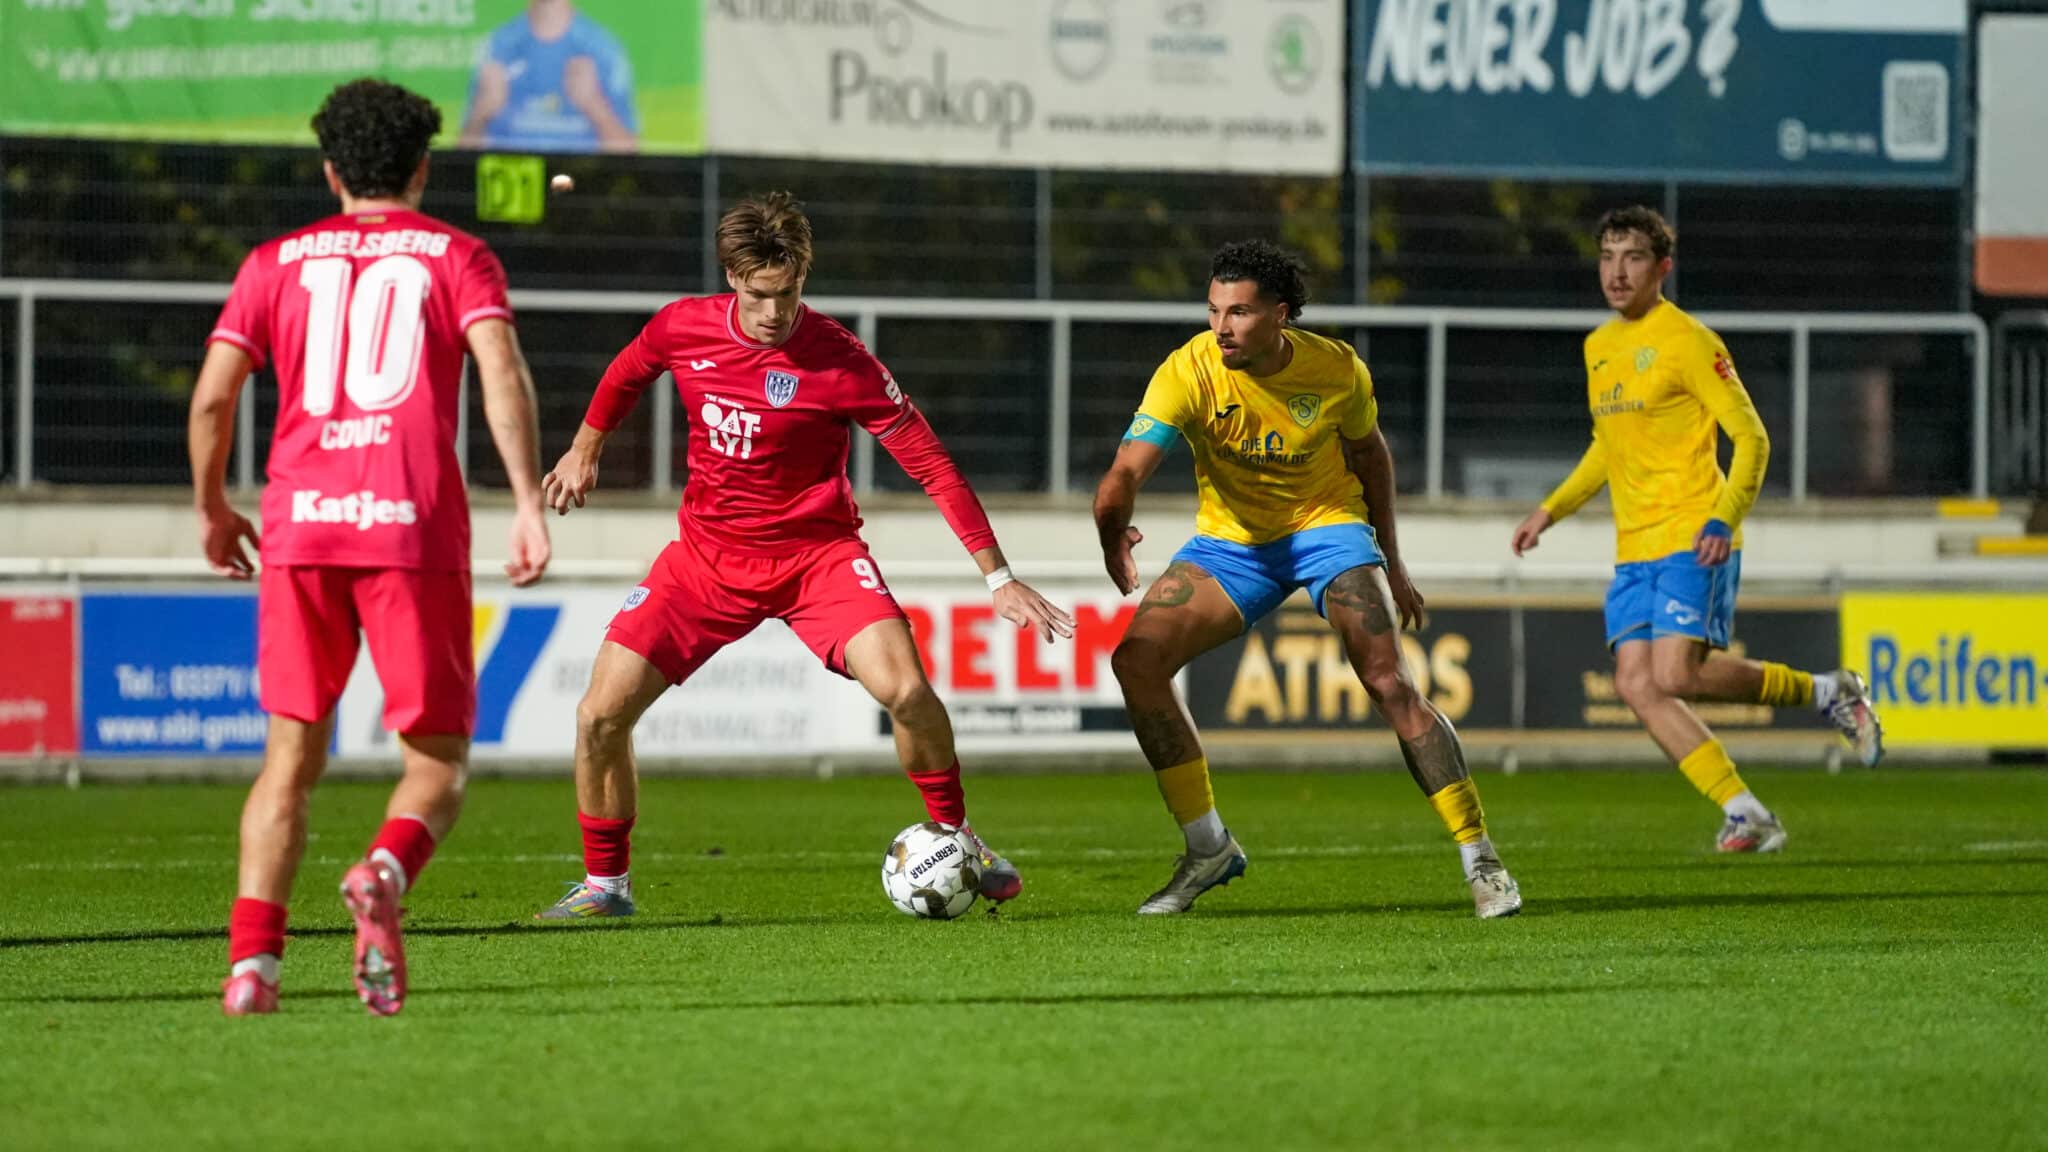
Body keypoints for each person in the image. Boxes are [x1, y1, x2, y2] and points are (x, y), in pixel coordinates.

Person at [533, 191, 1074, 920]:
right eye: (760, 295)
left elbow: (932, 464)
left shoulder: (840, 359)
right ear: (732, 279)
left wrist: (998, 576)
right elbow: (629, 370)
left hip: (817, 558)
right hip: (705, 561)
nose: (774, 313)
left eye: (788, 294)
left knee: (908, 692)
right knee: (599, 715)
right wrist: (584, 448)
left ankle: (958, 839)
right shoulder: (681, 327)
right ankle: (606, 887)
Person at [191, 78, 552, 1016]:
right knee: (435, 764)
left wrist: (213, 509)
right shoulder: (458, 255)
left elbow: (213, 398)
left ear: (329, 169)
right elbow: (500, 374)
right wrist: (526, 501)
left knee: (288, 762)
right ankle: (386, 870)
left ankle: (250, 972)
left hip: (301, 528)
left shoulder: (274, 261)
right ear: (423, 168)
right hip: (410, 527)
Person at [1094, 240, 1521, 919]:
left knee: (1388, 679)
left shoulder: (1335, 370)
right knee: (1136, 662)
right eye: (1213, 311)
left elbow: (1369, 455)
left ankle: (1482, 858)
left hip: (1326, 528)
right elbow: (1125, 470)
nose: (1222, 327)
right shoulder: (1188, 371)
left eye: (1239, 312)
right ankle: (1208, 848)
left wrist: (1392, 557)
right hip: (1231, 544)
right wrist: (1113, 528)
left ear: (1280, 315)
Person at [1510, 205, 1884, 853]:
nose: (1616, 272)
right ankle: (1747, 811)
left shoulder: (1689, 341)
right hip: (1635, 546)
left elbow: (1752, 438)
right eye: (1607, 257)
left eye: (1632, 258)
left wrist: (1724, 516)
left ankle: (1830, 691)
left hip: (1693, 533)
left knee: (1677, 674)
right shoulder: (1598, 347)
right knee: (1635, 683)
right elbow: (1609, 446)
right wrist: (1551, 510)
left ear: (1663, 269)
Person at [458, 0, 638, 153]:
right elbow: (461, 159)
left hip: (580, 185)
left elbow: (630, 155)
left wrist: (594, 105)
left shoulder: (604, 49)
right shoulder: (497, 47)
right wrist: (481, 113)